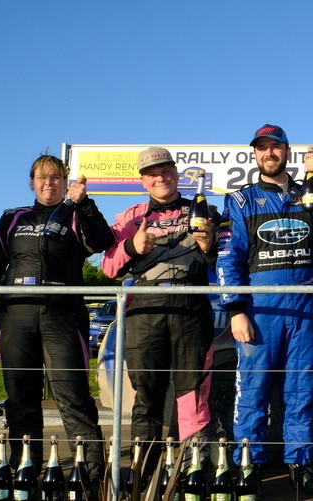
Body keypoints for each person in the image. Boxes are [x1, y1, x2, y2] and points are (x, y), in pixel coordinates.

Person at [217, 124, 313, 498]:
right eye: (262, 148)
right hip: (260, 310)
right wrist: (235, 309)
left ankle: (301, 467)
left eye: (275, 147)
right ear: (255, 155)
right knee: (253, 394)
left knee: (301, 393)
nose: (268, 154)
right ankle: (249, 467)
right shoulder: (242, 200)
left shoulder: (309, 192)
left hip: (305, 307)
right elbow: (229, 260)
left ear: (287, 152)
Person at [0, 154, 112, 487]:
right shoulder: (12, 218)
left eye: (56, 177)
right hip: (16, 313)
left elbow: (105, 241)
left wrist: (85, 203)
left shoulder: (77, 213)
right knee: (21, 398)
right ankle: (24, 474)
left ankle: (89, 478)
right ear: (32, 182)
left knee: (74, 397)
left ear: (65, 182)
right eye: (42, 178)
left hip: (62, 314)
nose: (49, 183)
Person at [102, 147, 218, 465]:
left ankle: (193, 472)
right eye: (152, 174)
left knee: (192, 394)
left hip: (192, 308)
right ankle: (145, 469)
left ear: (176, 174)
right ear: (143, 181)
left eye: (166, 171)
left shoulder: (205, 210)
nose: (160, 178)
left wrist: (210, 246)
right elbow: (109, 267)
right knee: (147, 395)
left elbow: (228, 262)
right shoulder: (129, 217)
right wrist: (131, 246)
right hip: (144, 311)